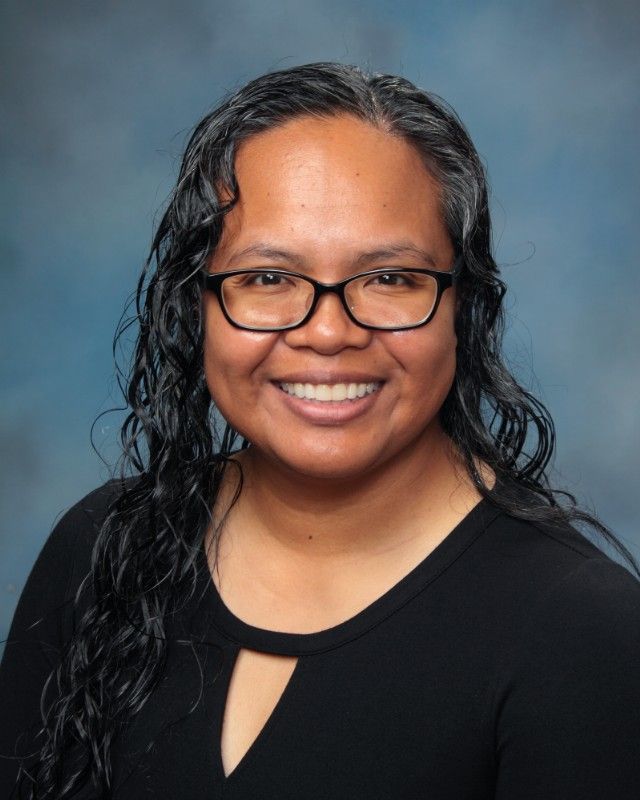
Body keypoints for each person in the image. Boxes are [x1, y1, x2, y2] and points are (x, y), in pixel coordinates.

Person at [1, 62, 639, 800]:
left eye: (391, 278)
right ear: (197, 305)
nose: (329, 332)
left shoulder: (583, 632)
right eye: (268, 278)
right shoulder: (102, 548)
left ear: (463, 307)